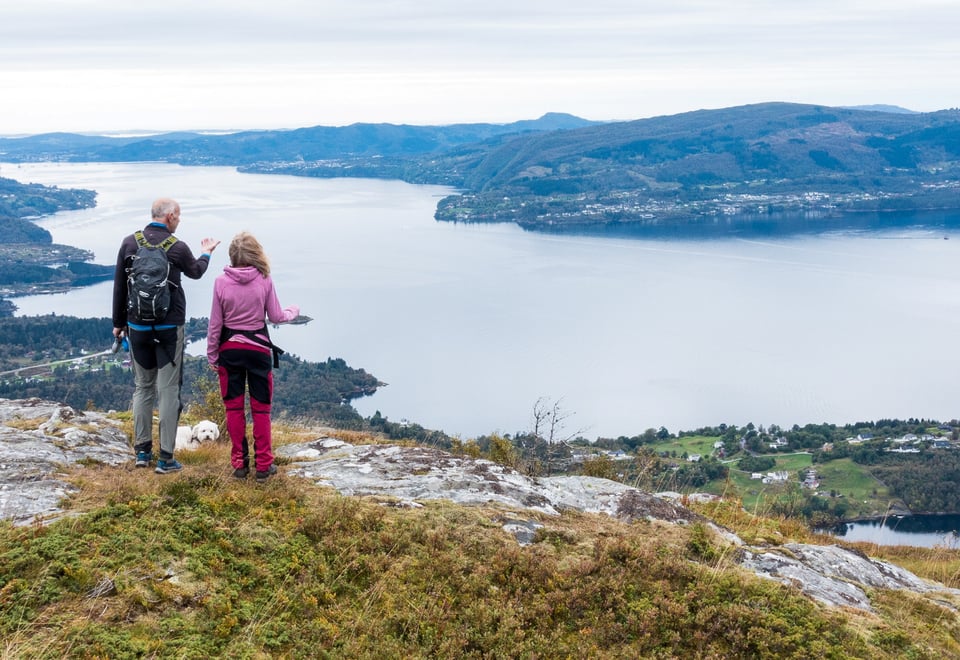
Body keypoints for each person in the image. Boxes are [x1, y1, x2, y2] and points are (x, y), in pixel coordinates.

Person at [112, 198, 220, 474]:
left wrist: (118, 324)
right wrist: (206, 253)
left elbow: (120, 286)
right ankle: (166, 458)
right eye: (178, 216)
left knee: (143, 387)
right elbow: (196, 272)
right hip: (169, 328)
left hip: (137, 327)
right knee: (169, 390)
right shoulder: (177, 247)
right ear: (170, 215)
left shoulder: (129, 243)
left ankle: (142, 453)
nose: (179, 220)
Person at [206, 232, 299, 482]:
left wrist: (212, 356)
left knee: (234, 408)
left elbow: (215, 324)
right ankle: (264, 466)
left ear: (232, 257)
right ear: (257, 254)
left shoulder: (220, 282)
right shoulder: (264, 279)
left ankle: (239, 465)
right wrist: (293, 311)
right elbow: (277, 316)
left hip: (230, 352)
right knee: (261, 410)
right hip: (258, 352)